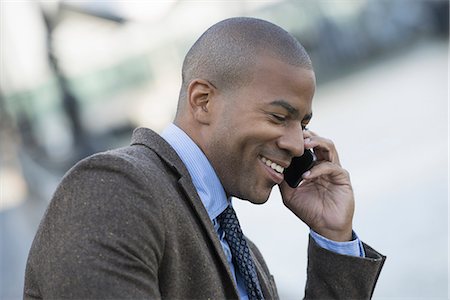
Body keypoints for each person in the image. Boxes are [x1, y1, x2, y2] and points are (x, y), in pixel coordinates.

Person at [24, 17, 385, 299]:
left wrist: (333, 237)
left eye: (303, 124)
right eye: (278, 117)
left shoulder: (243, 255)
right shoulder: (112, 188)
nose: (296, 144)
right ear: (203, 101)